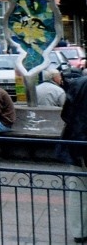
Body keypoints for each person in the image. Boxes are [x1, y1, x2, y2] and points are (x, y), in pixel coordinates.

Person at [61, 76, 87, 243]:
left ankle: (79, 231)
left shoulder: (77, 84)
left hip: (77, 143)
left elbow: (66, 114)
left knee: (78, 190)